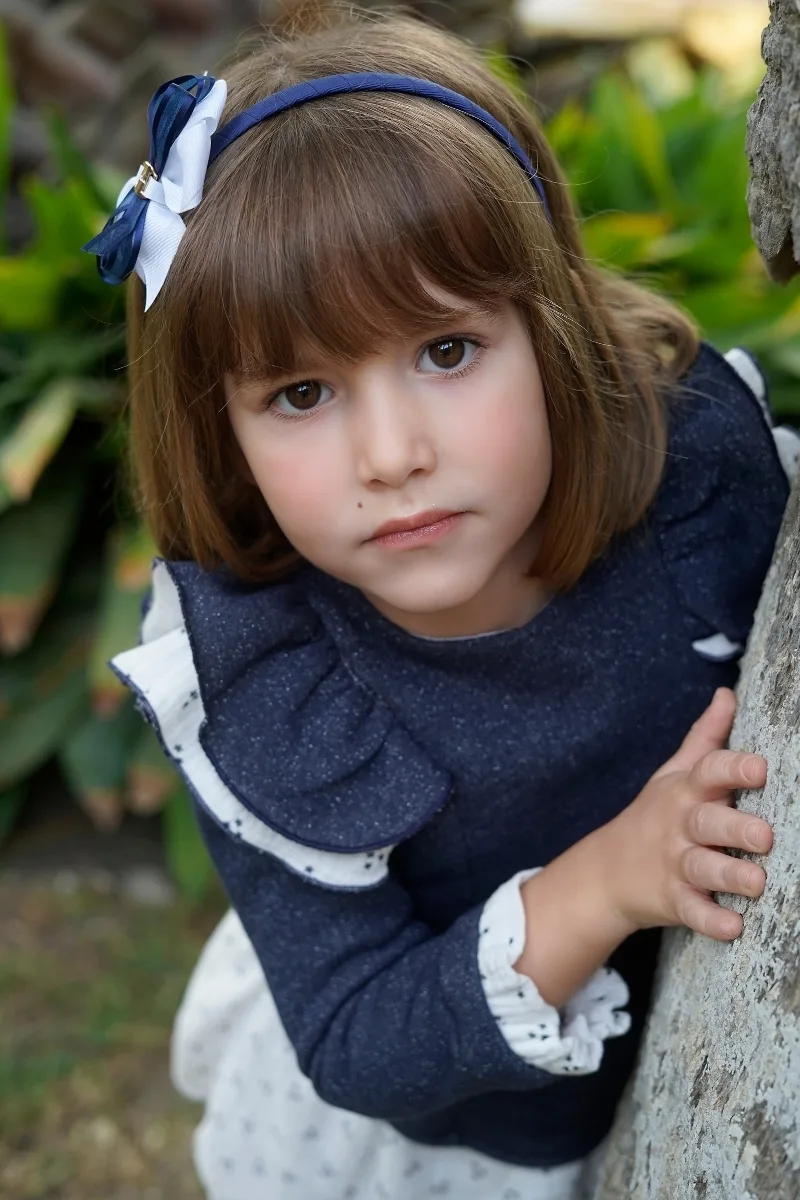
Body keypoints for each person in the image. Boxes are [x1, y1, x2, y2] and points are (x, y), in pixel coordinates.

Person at [84, 8, 800, 1199]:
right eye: (302, 391)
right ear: (221, 428)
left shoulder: (688, 473)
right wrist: (607, 881)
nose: (391, 453)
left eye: (447, 351)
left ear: (548, 327)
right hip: (463, 1148)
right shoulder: (273, 685)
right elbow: (359, 1032)